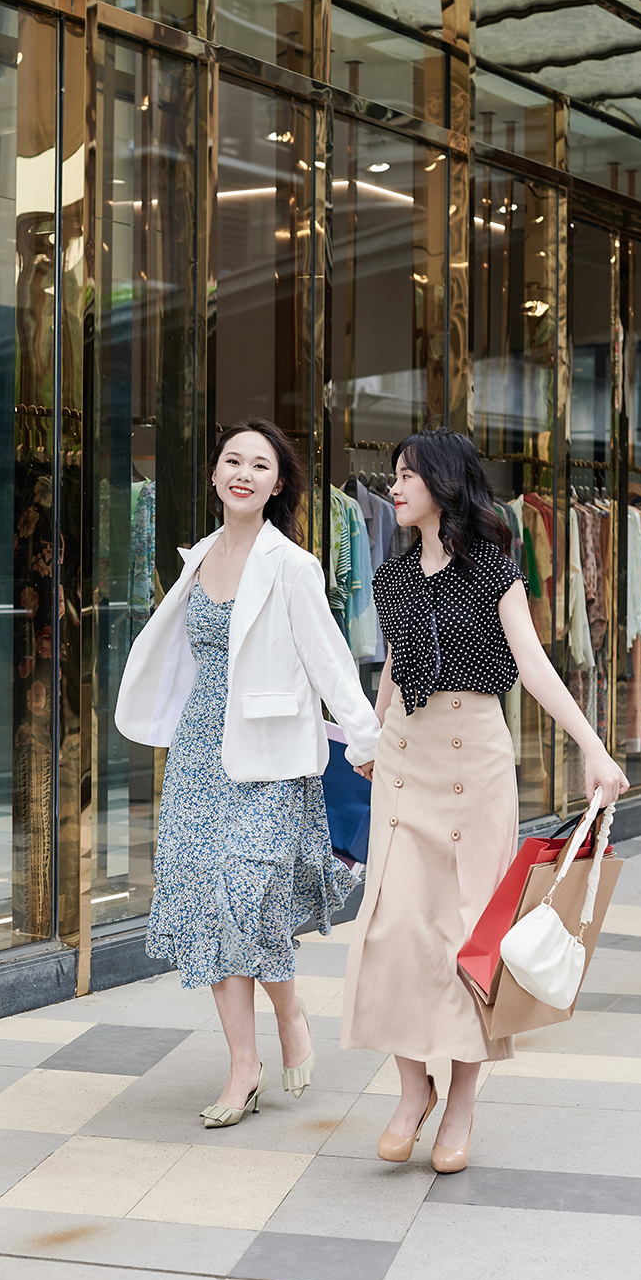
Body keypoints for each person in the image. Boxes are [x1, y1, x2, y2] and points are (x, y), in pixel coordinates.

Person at [342, 427, 629, 1173]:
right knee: (393, 929)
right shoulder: (391, 577)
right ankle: (413, 1091)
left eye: (408, 476)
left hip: (477, 762)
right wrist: (372, 738)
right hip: (406, 759)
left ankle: (461, 1099)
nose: (395, 487)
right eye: (395, 476)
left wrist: (593, 747)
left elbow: (534, 668)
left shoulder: (497, 572)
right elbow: (397, 669)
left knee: (467, 937)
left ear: (444, 484)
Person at [115, 419, 380, 1128]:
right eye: (232, 460)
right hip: (200, 750)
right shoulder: (197, 556)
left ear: (278, 484)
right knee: (208, 901)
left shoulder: (291, 564)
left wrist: (366, 737)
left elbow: (328, 657)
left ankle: (289, 1012)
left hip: (266, 757)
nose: (243, 472)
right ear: (214, 475)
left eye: (259, 465)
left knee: (246, 894)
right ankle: (243, 1064)